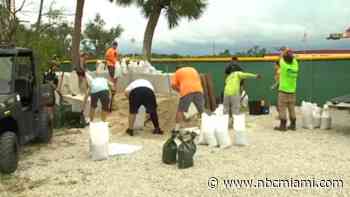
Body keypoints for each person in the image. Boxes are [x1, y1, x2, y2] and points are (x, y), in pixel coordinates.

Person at [171, 66, 204, 130]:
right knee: (201, 110)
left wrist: (180, 90)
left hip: (186, 90)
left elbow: (173, 85)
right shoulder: (193, 69)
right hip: (199, 89)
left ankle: (176, 128)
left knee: (180, 110)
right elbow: (198, 80)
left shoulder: (177, 72)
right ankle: (204, 126)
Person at [274, 48, 299, 131]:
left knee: (282, 108)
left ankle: (283, 126)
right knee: (292, 108)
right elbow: (294, 58)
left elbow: (281, 57)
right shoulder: (295, 66)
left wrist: (285, 51)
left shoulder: (283, 65)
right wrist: (290, 52)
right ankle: (293, 125)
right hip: (292, 91)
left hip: (283, 91)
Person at [105, 41, 119, 111]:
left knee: (114, 79)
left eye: (116, 45)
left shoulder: (114, 51)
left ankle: (113, 90)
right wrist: (114, 62)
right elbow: (107, 57)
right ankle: (112, 91)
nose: (115, 46)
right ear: (113, 45)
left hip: (113, 66)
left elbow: (115, 58)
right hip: (111, 66)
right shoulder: (110, 50)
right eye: (114, 45)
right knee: (113, 80)